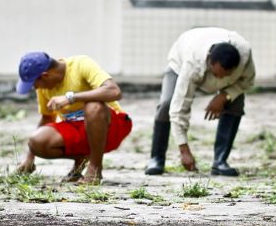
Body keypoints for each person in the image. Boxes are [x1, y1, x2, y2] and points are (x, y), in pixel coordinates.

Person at [145, 27, 256, 176]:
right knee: (167, 104)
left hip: (217, 60)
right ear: (210, 62)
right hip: (179, 62)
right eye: (217, 74)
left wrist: (224, 96)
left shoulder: (244, 55)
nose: (220, 80)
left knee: (236, 102)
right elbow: (179, 109)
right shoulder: (192, 63)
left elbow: (247, 81)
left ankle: (220, 162)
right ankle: (156, 159)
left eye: (226, 76)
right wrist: (184, 150)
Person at [15, 52, 132, 185]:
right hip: (78, 130)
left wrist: (71, 98)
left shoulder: (81, 64)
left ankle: (95, 168)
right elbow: (47, 118)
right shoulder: (44, 88)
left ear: (45, 75)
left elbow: (114, 91)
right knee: (37, 141)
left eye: (34, 83)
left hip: (112, 125)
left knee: (94, 105)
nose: (35, 88)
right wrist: (30, 157)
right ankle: (81, 160)